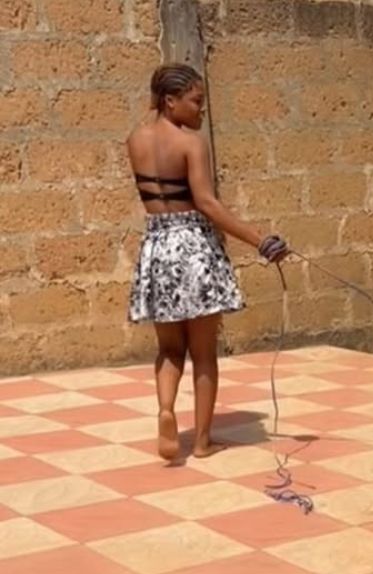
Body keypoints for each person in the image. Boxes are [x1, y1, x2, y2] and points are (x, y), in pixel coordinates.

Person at [125, 63, 289, 461]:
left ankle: (166, 411)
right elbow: (207, 204)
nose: (202, 110)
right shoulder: (192, 143)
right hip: (194, 249)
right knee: (203, 353)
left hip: (158, 247)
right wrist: (260, 240)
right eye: (196, 101)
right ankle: (200, 441)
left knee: (168, 350)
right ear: (170, 101)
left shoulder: (135, 139)